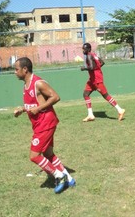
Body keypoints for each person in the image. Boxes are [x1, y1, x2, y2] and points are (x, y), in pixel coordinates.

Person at [13, 57, 75, 194]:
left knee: (34, 156)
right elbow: (33, 104)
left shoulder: (38, 83)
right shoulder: (26, 84)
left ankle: (59, 176)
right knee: (48, 153)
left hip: (46, 122)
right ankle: (70, 178)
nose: (14, 72)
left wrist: (39, 108)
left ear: (25, 69)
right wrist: (22, 109)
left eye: (16, 69)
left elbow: (56, 97)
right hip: (39, 124)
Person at [80, 43, 125, 122]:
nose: (83, 50)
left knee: (106, 95)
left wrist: (84, 68)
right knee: (85, 94)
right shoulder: (94, 55)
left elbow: (91, 67)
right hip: (92, 79)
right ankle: (90, 115)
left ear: (88, 49)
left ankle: (120, 110)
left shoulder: (89, 56)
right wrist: (97, 70)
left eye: (84, 49)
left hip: (96, 80)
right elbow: (102, 62)